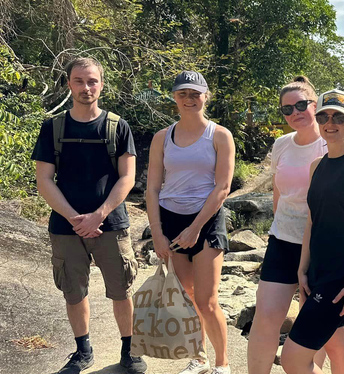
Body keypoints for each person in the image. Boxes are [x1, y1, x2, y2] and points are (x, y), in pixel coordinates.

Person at [32, 57, 146, 374]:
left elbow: (127, 177)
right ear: (69, 84)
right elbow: (44, 180)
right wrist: (73, 218)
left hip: (111, 225)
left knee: (121, 290)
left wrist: (99, 214)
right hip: (65, 227)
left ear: (101, 84)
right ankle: (83, 351)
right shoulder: (53, 128)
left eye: (92, 81)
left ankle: (129, 350)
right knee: (73, 290)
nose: (86, 87)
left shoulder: (117, 127)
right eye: (79, 81)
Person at [281, 89, 344, 374]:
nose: (331, 122)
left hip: (342, 280)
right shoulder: (317, 166)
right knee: (338, 349)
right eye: (324, 116)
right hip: (316, 273)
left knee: (292, 360)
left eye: (339, 116)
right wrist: (302, 270)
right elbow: (312, 222)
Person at [145, 71, 235, 374]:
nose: (189, 99)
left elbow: (223, 187)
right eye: (183, 94)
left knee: (208, 299)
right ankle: (199, 358)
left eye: (195, 94)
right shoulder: (162, 137)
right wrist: (157, 233)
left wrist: (195, 227)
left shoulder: (220, 135)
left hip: (206, 221)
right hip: (171, 220)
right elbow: (153, 188)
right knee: (186, 297)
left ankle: (222, 364)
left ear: (205, 96)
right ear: (174, 97)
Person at [247, 76, 328, 374]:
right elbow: (278, 192)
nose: (294, 113)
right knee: (266, 316)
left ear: (315, 104)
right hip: (282, 240)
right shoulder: (281, 145)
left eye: (301, 105)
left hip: (320, 245)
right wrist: (276, 227)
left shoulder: (329, 144)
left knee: (312, 324)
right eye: (286, 109)